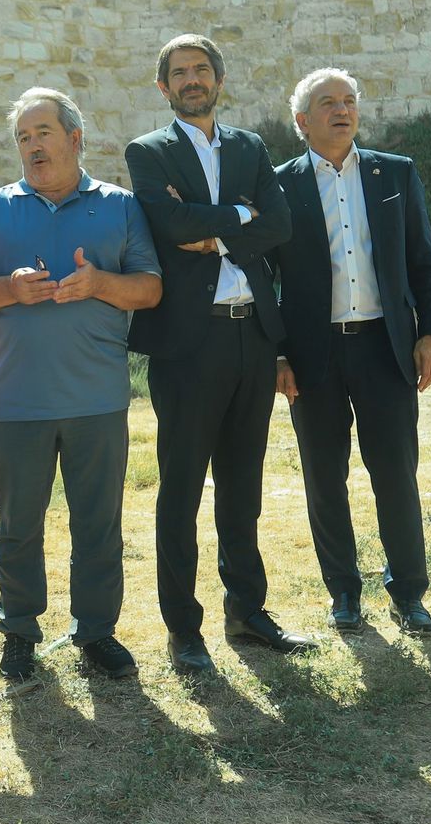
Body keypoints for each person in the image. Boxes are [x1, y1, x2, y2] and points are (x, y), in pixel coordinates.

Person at [0, 87, 161, 681]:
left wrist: (99, 284)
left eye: (42, 132)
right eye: (23, 137)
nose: (32, 146)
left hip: (98, 400)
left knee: (98, 527)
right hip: (19, 402)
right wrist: (10, 289)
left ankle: (96, 632)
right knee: (18, 529)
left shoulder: (120, 206)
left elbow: (150, 288)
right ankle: (19, 632)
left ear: (75, 138)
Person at [125, 34, 308, 677]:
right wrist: (239, 215)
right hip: (187, 341)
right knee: (180, 488)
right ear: (164, 87)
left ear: (219, 80)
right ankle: (183, 628)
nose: (192, 80)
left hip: (251, 336)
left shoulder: (250, 147)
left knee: (242, 483)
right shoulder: (148, 152)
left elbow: (279, 224)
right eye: (179, 73)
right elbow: (170, 227)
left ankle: (247, 611)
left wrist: (214, 230)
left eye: (201, 70)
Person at [268, 68, 431, 637]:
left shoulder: (394, 173)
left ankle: (409, 593)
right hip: (312, 354)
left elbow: (423, 260)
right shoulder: (278, 185)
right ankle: (344, 593)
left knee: (396, 474)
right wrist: (277, 355)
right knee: (325, 478)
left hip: (384, 347)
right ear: (303, 121)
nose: (342, 110)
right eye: (328, 103)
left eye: (349, 101)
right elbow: (265, 277)